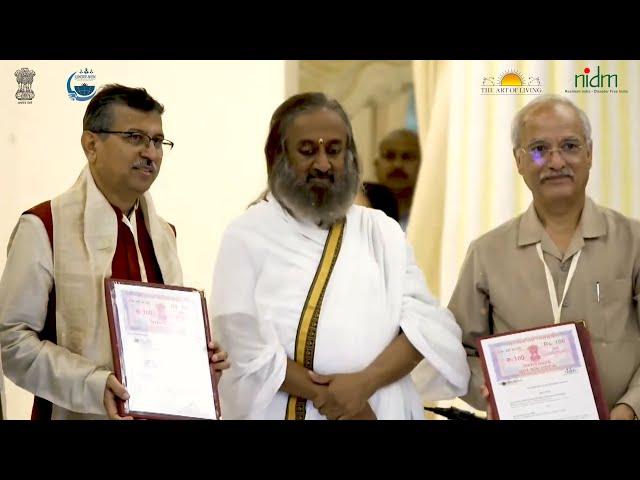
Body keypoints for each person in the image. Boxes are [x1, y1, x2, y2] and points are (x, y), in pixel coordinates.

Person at [209, 92, 469, 420]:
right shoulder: (247, 234)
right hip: (285, 408)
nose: (323, 163)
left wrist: (364, 384)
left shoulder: (381, 231)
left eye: (334, 150)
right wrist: (334, 398)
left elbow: (427, 325)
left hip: (379, 405)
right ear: (277, 156)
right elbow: (240, 338)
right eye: (308, 151)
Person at [0, 84, 229, 420]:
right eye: (134, 137)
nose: (150, 153)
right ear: (91, 144)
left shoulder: (164, 235)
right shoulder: (45, 227)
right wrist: (93, 385)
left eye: (157, 141)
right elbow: (11, 342)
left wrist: (197, 363)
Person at [449, 94, 640, 420]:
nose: (556, 162)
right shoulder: (487, 253)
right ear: (519, 160)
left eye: (570, 146)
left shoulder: (633, 241)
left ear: (590, 154)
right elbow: (457, 349)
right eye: (539, 149)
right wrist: (493, 392)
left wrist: (629, 408)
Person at [364, 129, 421, 230]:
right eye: (389, 156)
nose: (397, 165)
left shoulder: (433, 216)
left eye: (407, 157)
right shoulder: (359, 214)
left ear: (422, 165)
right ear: (376, 164)